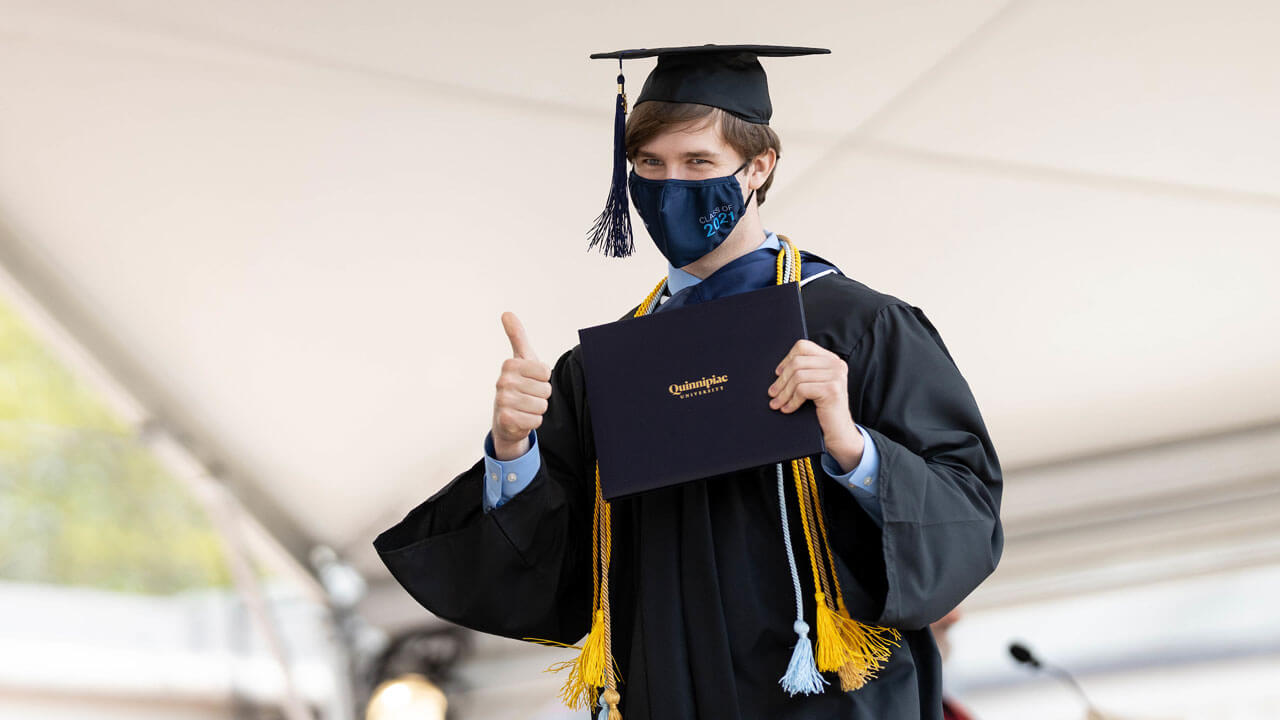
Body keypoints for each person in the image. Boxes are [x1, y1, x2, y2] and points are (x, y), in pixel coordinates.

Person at [374, 44, 1003, 720]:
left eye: (698, 163)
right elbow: (548, 573)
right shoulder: (603, 370)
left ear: (758, 166)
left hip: (831, 699)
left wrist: (852, 447)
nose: (670, 187)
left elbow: (967, 513)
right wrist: (512, 449)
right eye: (650, 165)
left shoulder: (857, 326)